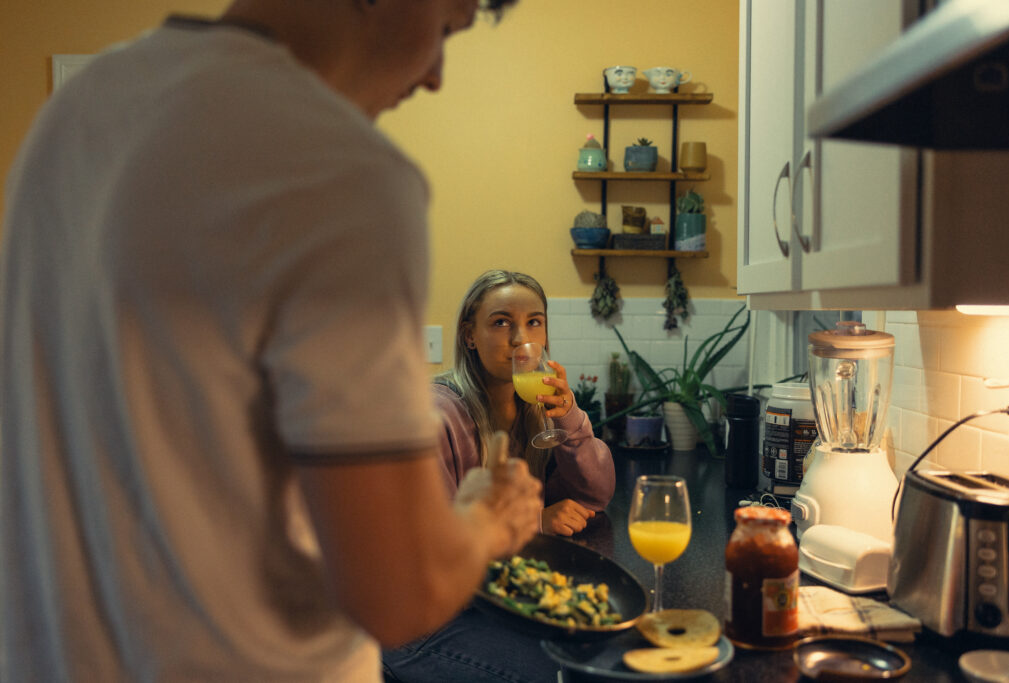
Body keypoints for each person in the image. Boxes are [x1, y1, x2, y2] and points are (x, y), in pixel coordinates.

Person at [0, 1, 541, 682]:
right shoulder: (340, 170)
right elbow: (402, 592)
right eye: (446, 30)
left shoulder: (77, 111)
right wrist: (487, 515)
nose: (434, 75)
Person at [383, 269, 615, 683]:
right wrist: (533, 522)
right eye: (501, 322)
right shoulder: (437, 416)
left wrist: (570, 418)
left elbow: (596, 494)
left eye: (534, 322)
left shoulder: (535, 406)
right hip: (414, 618)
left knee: (593, 655)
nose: (518, 339)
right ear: (469, 335)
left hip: (484, 599)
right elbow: (435, 550)